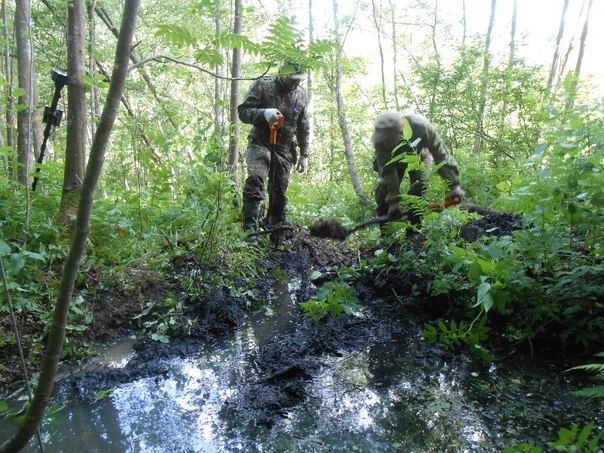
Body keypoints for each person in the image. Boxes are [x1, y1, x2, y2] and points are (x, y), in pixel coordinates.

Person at [238, 62, 310, 235]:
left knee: (279, 190)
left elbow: (303, 126)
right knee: (255, 179)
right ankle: (250, 232)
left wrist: (304, 154)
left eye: (299, 79)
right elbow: (244, 112)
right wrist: (263, 113)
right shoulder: (264, 84)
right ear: (282, 73)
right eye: (292, 78)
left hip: (285, 149)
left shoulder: (302, 94)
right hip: (260, 142)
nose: (296, 83)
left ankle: (276, 231)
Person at [372, 111, 465, 228]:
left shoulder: (421, 126)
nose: (384, 141)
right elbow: (387, 173)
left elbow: (441, 154)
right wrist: (393, 202)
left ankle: (413, 231)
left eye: (388, 138)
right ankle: (386, 237)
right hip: (392, 159)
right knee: (383, 195)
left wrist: (454, 185)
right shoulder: (380, 141)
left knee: (419, 187)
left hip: (419, 156)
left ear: (400, 132)